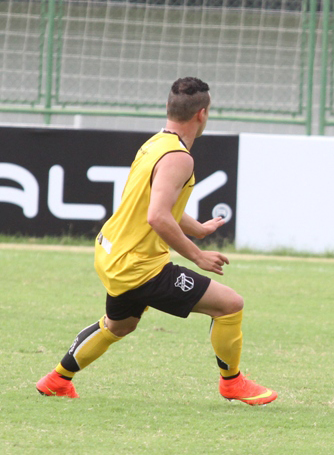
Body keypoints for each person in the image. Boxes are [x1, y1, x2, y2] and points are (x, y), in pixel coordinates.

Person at [36, 77, 277, 405]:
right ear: (202, 114)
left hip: (112, 251)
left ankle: (57, 380)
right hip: (138, 265)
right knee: (229, 305)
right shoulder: (180, 157)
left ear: (168, 108)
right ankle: (232, 383)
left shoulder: (155, 143)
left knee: (119, 325)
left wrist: (198, 229)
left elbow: (157, 205)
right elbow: (158, 217)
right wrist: (198, 255)